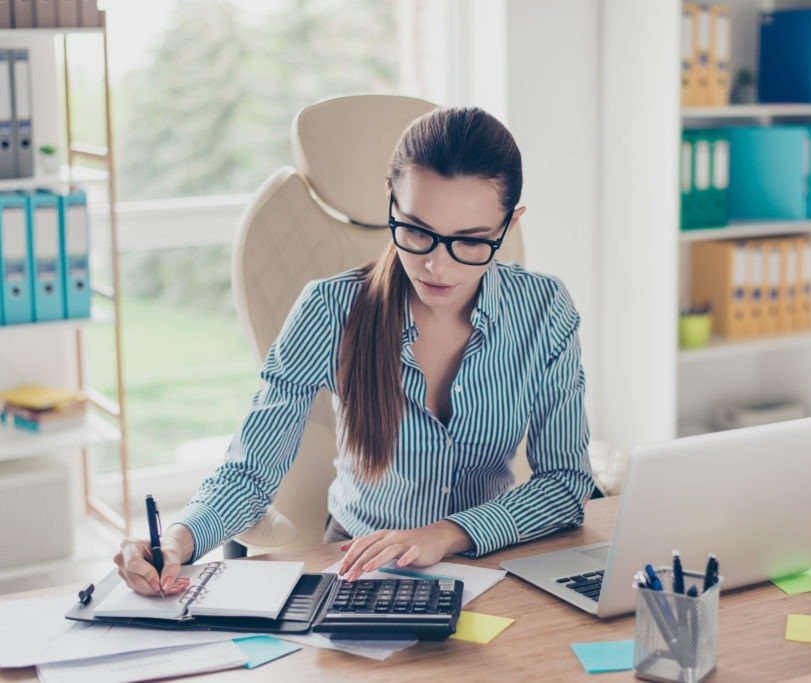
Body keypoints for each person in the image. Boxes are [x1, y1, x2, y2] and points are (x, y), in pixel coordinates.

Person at [114, 106, 594, 596]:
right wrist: (177, 539)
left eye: (470, 242)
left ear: (509, 225)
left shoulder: (543, 309)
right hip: (358, 566)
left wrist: (445, 535)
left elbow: (565, 483)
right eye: (416, 231)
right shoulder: (330, 309)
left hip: (491, 561)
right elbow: (250, 471)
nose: (435, 265)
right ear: (390, 199)